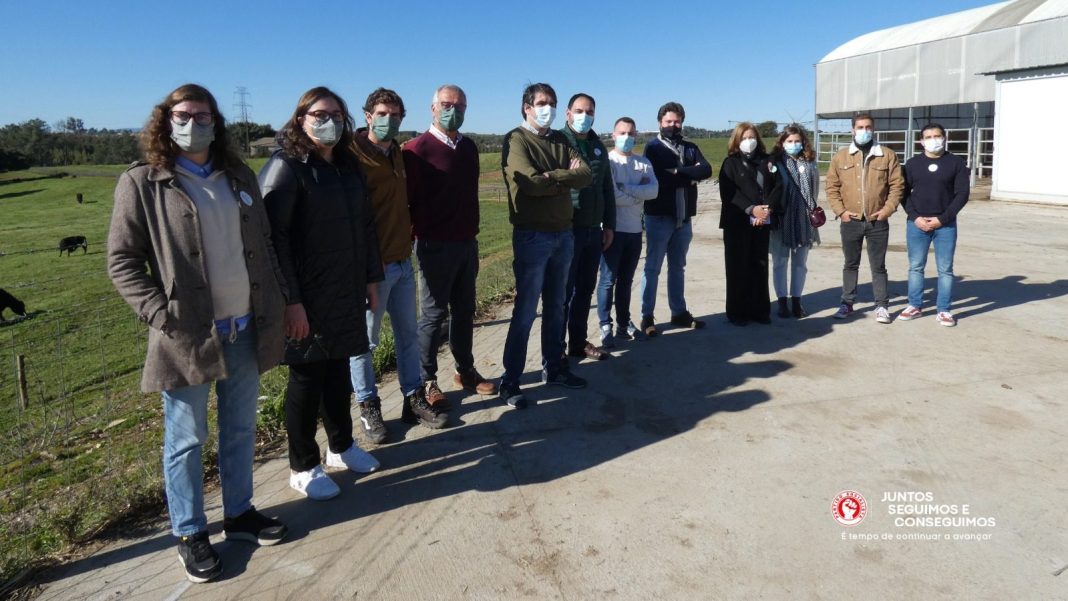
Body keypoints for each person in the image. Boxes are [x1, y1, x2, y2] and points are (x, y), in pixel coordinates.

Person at [108, 83, 288, 583]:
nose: (194, 124)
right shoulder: (144, 182)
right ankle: (189, 532)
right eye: (183, 116)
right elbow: (122, 261)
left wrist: (277, 299)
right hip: (188, 334)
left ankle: (240, 514)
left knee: (240, 428)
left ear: (216, 123)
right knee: (187, 438)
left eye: (203, 116)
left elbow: (264, 245)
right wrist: (159, 314)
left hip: (246, 324)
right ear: (165, 122)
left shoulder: (239, 175)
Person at [259, 87, 384, 501]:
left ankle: (341, 446)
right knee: (307, 376)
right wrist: (290, 301)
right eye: (319, 114)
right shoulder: (286, 167)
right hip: (305, 294)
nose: (328, 121)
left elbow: (365, 226)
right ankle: (303, 466)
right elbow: (272, 240)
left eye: (336, 115)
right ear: (301, 119)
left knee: (338, 370)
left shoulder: (347, 165)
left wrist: (371, 279)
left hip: (345, 287)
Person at [349, 88, 445, 441]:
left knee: (408, 336)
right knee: (365, 343)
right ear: (368, 116)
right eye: (382, 113)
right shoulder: (353, 156)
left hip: (403, 262)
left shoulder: (399, 155)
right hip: (372, 269)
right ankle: (368, 406)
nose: (389, 120)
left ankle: (412, 397)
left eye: (395, 115)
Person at [404, 84, 498, 409]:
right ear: (433, 108)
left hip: (466, 243)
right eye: (446, 104)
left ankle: (465, 371)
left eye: (459, 106)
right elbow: (407, 203)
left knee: (464, 311)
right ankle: (426, 380)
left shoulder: (468, 148)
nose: (452, 110)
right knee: (433, 316)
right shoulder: (416, 150)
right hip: (433, 246)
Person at [499, 83, 592, 409]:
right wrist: (563, 178)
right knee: (526, 311)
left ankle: (554, 367)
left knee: (556, 307)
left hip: (563, 234)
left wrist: (552, 177)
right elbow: (530, 183)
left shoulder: (560, 140)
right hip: (533, 236)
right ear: (527, 107)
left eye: (551, 103)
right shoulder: (516, 139)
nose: (547, 108)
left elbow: (586, 175)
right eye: (541, 103)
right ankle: (511, 380)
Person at [640, 101, 713, 335]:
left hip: (684, 217)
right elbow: (658, 178)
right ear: (660, 122)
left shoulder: (690, 147)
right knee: (652, 268)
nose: (673, 125)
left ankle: (678, 312)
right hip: (659, 217)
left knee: (678, 267)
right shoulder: (653, 148)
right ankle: (647, 316)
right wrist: (690, 176)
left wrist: (679, 172)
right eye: (668, 121)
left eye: (677, 121)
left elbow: (707, 170)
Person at [825, 112, 904, 323]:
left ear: (873, 129)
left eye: (868, 127)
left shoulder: (887, 155)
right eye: (860, 127)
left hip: (877, 221)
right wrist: (841, 212)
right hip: (851, 221)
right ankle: (847, 302)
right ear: (852, 130)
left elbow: (897, 186)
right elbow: (832, 187)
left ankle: (882, 305)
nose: (864, 131)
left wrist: (887, 210)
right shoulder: (841, 157)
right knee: (850, 264)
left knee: (878, 266)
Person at [558, 93, 616, 362]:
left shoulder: (598, 146)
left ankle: (578, 342)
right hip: (568, 228)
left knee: (584, 290)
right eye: (579, 110)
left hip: (594, 229)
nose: (584, 116)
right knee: (563, 292)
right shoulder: (558, 142)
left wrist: (609, 225)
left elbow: (606, 188)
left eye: (589, 111)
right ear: (568, 113)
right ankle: (555, 347)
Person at [899, 122, 969, 327]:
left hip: (945, 225)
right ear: (921, 141)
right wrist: (915, 217)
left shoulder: (955, 163)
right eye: (928, 137)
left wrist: (942, 219)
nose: (933, 140)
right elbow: (903, 194)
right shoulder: (912, 164)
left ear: (945, 138)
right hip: (917, 225)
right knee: (915, 267)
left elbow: (962, 194)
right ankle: (914, 305)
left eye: (937, 136)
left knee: (945, 269)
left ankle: (944, 309)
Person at [597, 117, 658, 347]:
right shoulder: (608, 161)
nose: (626, 137)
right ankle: (605, 324)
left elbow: (653, 191)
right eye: (622, 133)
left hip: (634, 231)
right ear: (613, 135)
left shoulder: (643, 163)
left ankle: (623, 324)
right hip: (613, 230)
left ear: (636, 135)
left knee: (626, 281)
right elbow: (611, 196)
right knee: (607, 280)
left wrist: (627, 189)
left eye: (631, 133)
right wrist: (637, 195)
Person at [718, 122, 782, 326]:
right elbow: (729, 193)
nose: (748, 141)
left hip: (762, 222)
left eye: (752, 137)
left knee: (759, 266)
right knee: (737, 267)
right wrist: (751, 209)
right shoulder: (730, 163)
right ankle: (737, 312)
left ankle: (760, 311)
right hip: (737, 223)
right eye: (744, 138)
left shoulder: (767, 161)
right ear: (737, 141)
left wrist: (767, 209)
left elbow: (778, 186)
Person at [769, 125, 821, 318]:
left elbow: (815, 190)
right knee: (780, 262)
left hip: (804, 220)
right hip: (782, 220)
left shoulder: (810, 163)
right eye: (789, 141)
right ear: (782, 143)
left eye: (797, 141)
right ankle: (782, 301)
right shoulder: (775, 163)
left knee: (800, 264)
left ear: (803, 142)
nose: (793, 144)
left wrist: (810, 210)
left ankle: (797, 301)